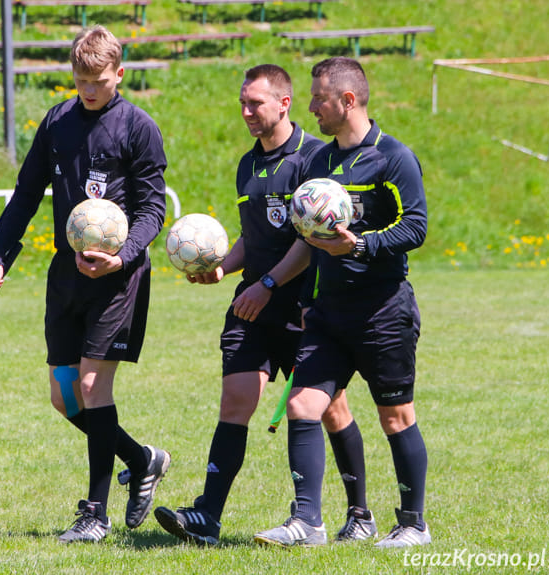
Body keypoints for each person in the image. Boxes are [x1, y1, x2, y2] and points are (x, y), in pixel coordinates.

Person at [152, 64, 372, 546]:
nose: (247, 112)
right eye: (243, 103)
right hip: (254, 303)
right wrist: (223, 268)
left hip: (305, 307)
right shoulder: (247, 164)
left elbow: (311, 239)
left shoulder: (315, 158)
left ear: (285, 103)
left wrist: (269, 284)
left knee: (330, 408)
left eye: (256, 103)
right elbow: (255, 238)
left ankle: (359, 513)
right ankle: (207, 517)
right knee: (235, 402)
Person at [0, 25, 170, 543]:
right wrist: (0, 256)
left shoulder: (138, 127)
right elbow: (24, 194)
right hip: (67, 275)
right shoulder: (58, 121)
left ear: (120, 75)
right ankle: (141, 458)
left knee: (91, 387)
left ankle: (95, 513)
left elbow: (154, 207)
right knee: (65, 399)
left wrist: (123, 256)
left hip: (118, 276)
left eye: (99, 81)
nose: (89, 90)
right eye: (81, 79)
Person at [253, 56, 430, 548]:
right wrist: (305, 299)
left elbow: (415, 226)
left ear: (347, 101)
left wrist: (362, 245)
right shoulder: (317, 162)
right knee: (304, 406)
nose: (311, 108)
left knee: (395, 416)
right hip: (327, 312)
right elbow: (307, 240)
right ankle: (307, 522)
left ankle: (413, 524)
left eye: (318, 99)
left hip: (382, 311)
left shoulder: (393, 158)